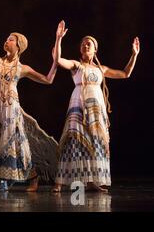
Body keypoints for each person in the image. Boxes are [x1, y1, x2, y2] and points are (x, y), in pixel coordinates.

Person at [0, 10, 58, 192]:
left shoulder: (23, 68)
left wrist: (55, 61)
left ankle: (33, 176)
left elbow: (48, 79)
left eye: (11, 39)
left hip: (11, 109)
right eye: (7, 38)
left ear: (18, 46)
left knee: (15, 143)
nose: (7, 40)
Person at [52, 21, 140, 192]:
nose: (85, 45)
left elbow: (125, 73)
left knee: (95, 141)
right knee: (74, 139)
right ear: (80, 50)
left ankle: (92, 181)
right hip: (79, 104)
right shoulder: (77, 66)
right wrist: (58, 38)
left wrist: (134, 55)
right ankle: (60, 182)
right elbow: (58, 60)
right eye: (83, 43)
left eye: (89, 43)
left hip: (97, 108)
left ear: (95, 50)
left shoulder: (101, 69)